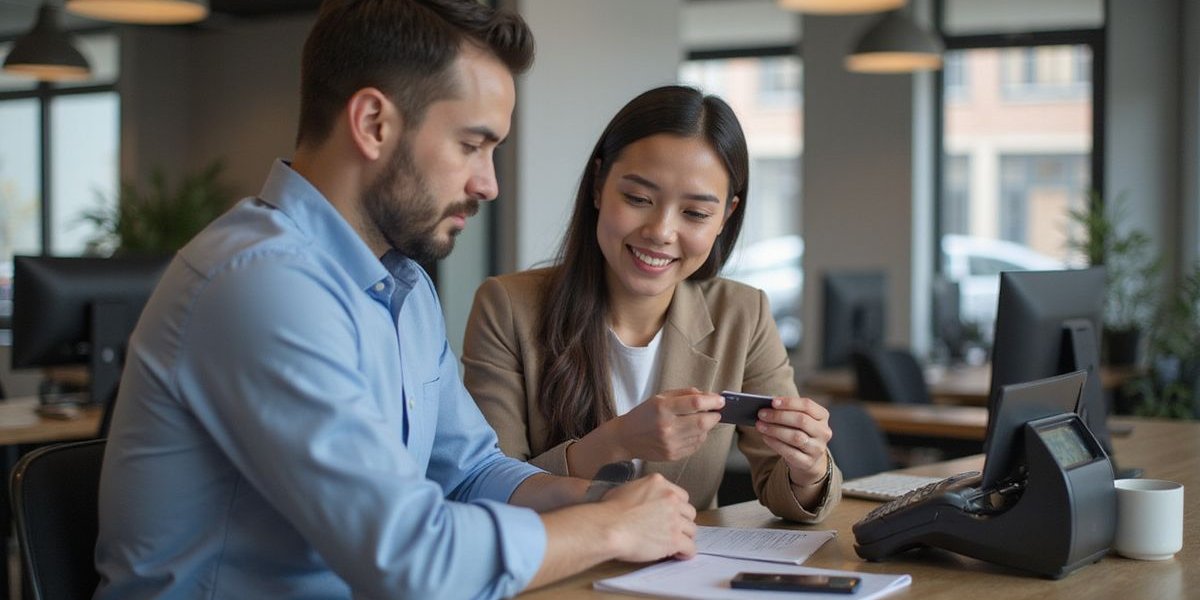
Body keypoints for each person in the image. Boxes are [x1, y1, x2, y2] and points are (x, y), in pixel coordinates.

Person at [94, 2, 698, 599]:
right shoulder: (262, 283)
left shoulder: (401, 287)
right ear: (374, 124)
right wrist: (609, 527)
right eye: (471, 145)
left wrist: (598, 498)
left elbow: (469, 472)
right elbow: (409, 562)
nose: (488, 182)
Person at [463, 85, 841, 522]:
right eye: (639, 199)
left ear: (726, 216)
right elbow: (484, 487)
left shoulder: (743, 314)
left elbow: (787, 489)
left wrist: (807, 467)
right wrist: (616, 440)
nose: (661, 231)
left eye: (695, 214)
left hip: (684, 577)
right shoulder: (507, 307)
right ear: (599, 186)